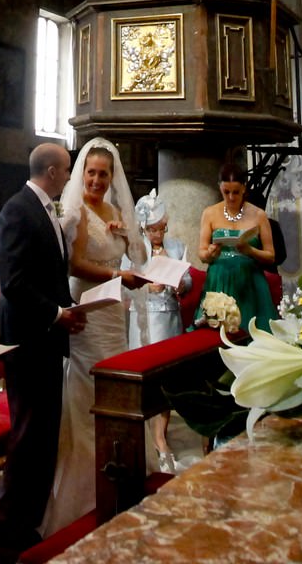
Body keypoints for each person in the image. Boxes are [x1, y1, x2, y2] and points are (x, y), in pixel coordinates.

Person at [0, 143, 90, 564]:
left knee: (43, 437)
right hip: (28, 339)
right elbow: (12, 282)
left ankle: (29, 525)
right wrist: (56, 314)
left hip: (46, 338)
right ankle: (8, 536)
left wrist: (69, 306)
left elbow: (47, 273)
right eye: (67, 170)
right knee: (28, 437)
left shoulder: (44, 208)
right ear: (51, 171)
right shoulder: (18, 209)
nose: (70, 176)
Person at [46, 137, 144, 534]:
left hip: (113, 314)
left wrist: (123, 238)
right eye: (92, 173)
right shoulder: (77, 213)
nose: (98, 180)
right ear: (81, 174)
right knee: (88, 389)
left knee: (115, 389)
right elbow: (76, 263)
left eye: (104, 174)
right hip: (87, 310)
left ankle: (120, 467)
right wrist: (117, 274)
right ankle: (86, 485)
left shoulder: (112, 210)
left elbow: (133, 253)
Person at [132, 188, 186, 471]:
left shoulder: (176, 247)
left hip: (169, 317)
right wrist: (144, 285)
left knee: (165, 377)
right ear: (143, 227)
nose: (159, 233)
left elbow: (186, 280)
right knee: (144, 376)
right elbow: (126, 282)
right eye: (154, 229)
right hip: (143, 318)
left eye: (163, 228)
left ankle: (160, 436)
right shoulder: (134, 248)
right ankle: (140, 435)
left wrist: (180, 283)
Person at [198, 160, 276, 332]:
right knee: (217, 335)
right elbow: (202, 254)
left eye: (236, 192)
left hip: (249, 280)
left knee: (252, 332)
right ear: (220, 187)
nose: (231, 197)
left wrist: (250, 250)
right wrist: (210, 253)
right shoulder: (210, 213)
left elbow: (271, 256)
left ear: (244, 188)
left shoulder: (258, 215)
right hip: (219, 279)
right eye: (226, 192)